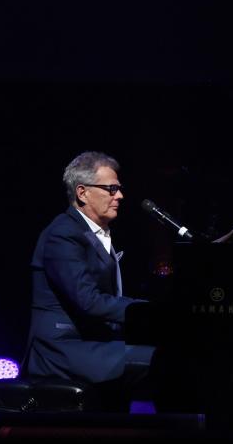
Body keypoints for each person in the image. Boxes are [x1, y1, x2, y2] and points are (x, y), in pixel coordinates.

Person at [23, 151, 154, 410]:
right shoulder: (62, 234)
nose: (120, 196)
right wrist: (153, 312)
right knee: (162, 360)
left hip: (95, 341)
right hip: (64, 350)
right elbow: (89, 301)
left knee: (174, 355)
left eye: (119, 188)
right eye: (111, 189)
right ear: (82, 193)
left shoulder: (94, 232)